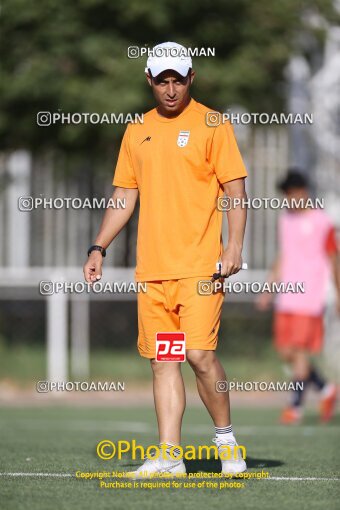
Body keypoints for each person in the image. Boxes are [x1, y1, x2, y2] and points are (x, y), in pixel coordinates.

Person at [83, 42, 248, 475]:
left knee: (199, 354)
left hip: (200, 267)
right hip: (154, 271)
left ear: (192, 78)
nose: (171, 89)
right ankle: (170, 455)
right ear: (150, 81)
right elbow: (124, 195)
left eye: (178, 80)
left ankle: (226, 439)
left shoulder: (213, 123)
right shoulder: (137, 129)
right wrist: (99, 247)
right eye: (162, 81)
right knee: (165, 360)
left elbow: (235, 193)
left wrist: (233, 247)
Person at [257, 169, 339, 424]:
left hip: (310, 297)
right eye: (286, 195)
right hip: (287, 297)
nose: (289, 199)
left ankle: (294, 407)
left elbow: (334, 259)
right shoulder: (285, 220)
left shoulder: (321, 221)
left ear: (303, 192)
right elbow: (285, 256)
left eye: (292, 193)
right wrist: (269, 288)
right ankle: (326, 389)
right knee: (285, 352)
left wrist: (338, 293)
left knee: (299, 352)